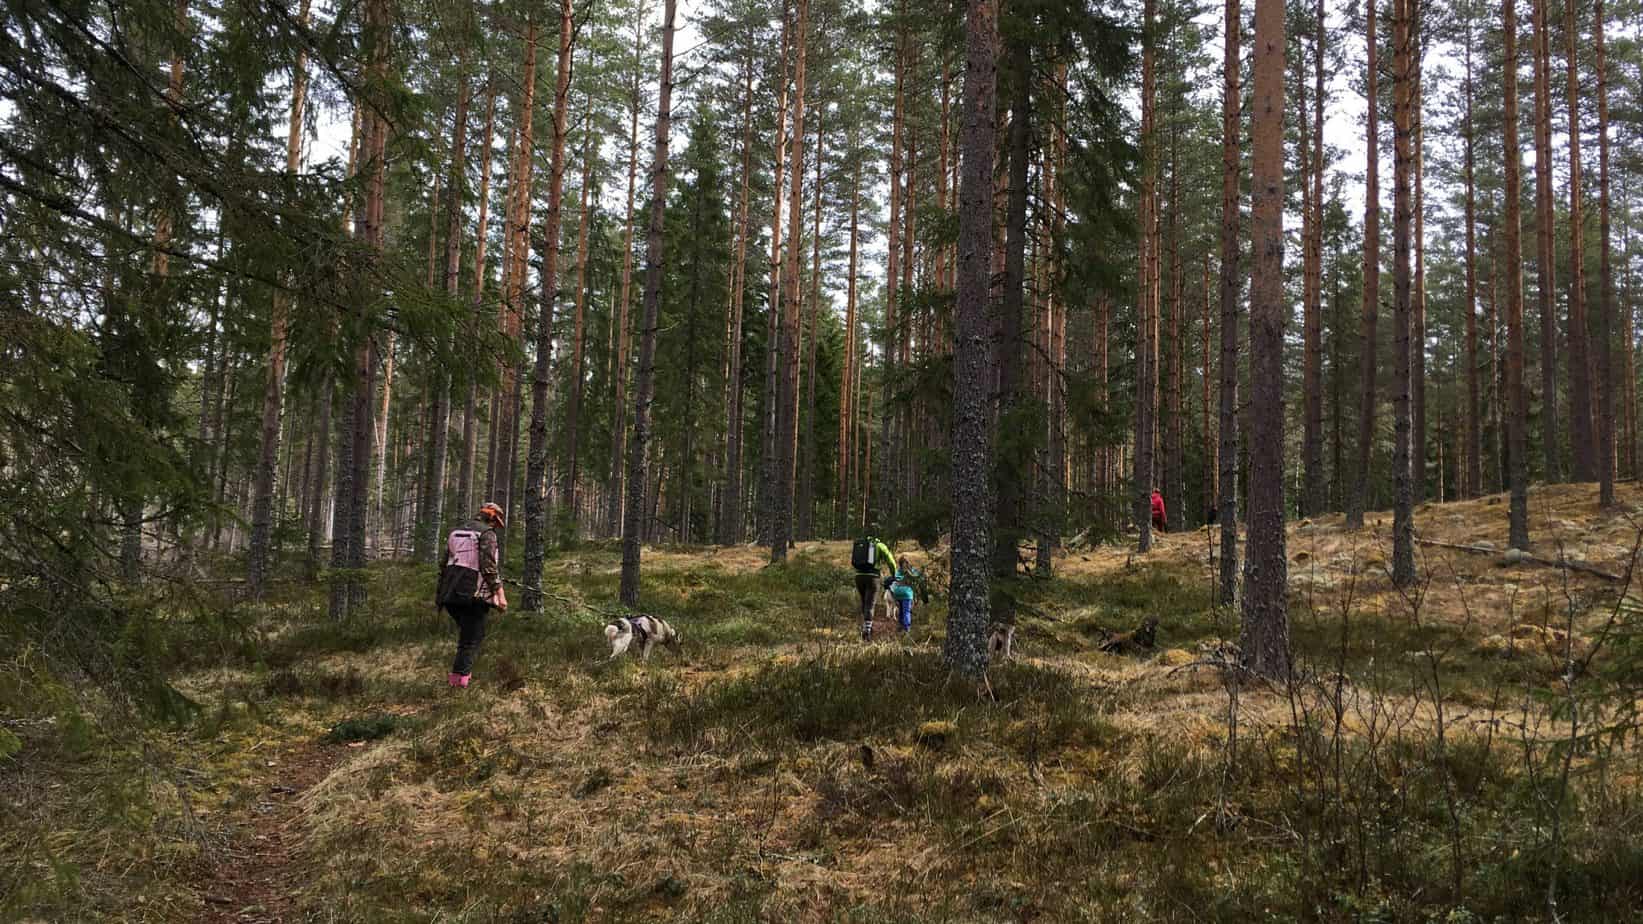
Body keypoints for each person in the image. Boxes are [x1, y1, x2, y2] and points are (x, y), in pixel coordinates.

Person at [436, 502, 505, 688]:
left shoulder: (455, 532)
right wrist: (500, 594)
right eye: (496, 523)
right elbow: (489, 567)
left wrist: (440, 595)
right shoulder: (487, 534)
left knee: (469, 636)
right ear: (492, 518)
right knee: (471, 639)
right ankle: (459, 684)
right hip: (473, 595)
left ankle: (459, 679)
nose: (495, 527)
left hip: (450, 593)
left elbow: (444, 565)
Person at [850, 529, 898, 641]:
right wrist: (894, 575)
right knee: (870, 604)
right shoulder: (880, 545)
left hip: (859, 577)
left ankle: (866, 627)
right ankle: (867, 632)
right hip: (873, 577)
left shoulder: (860, 544)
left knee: (864, 602)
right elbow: (891, 562)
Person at [888, 561, 929, 634]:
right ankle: (907, 629)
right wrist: (923, 571)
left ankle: (900, 627)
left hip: (897, 593)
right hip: (906, 593)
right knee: (906, 611)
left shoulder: (898, 571)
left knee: (901, 611)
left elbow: (890, 580)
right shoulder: (912, 571)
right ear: (909, 564)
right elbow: (919, 577)